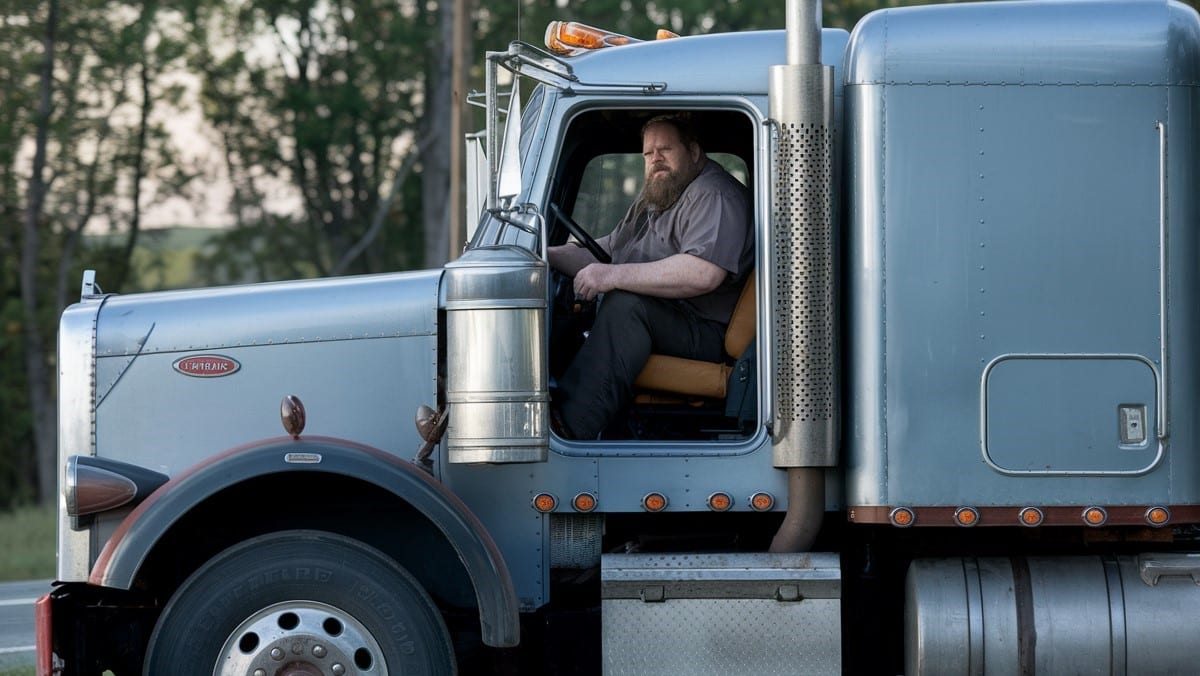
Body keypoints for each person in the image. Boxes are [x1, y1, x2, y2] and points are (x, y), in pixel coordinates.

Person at [548, 114, 753, 440]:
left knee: (626, 306)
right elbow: (606, 252)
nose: (655, 158)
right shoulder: (657, 196)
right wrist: (544, 255)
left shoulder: (713, 194)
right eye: (647, 153)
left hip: (706, 331)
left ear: (695, 152)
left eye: (665, 149)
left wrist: (612, 276)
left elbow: (703, 274)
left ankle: (569, 429)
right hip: (673, 319)